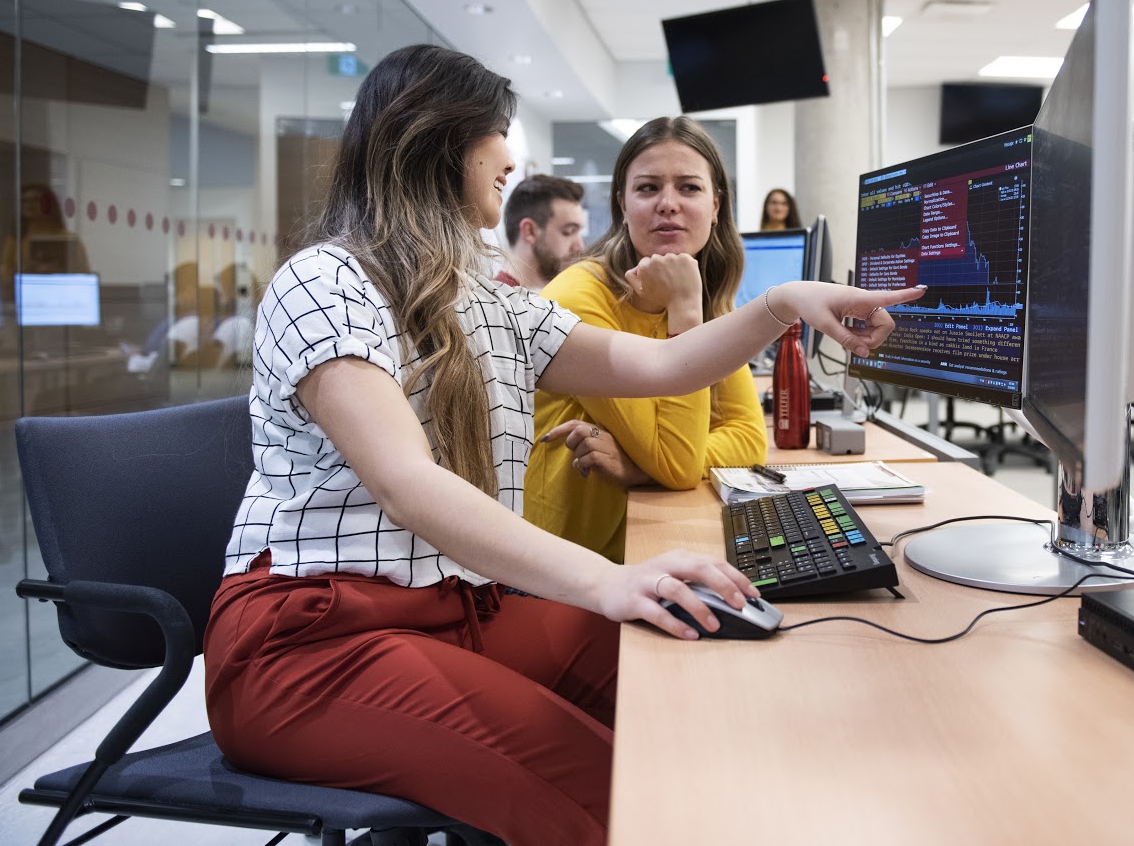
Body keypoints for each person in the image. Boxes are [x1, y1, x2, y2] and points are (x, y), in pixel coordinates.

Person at [203, 44, 920, 846]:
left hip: (459, 610)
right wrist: (606, 580)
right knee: (609, 792)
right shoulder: (326, 281)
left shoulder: (482, 296)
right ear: (442, 138)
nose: (511, 158)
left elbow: (659, 364)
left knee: (695, 685)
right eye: (498, 134)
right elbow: (406, 482)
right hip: (312, 645)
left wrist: (785, 303)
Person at [526, 117, 767, 563]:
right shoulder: (579, 298)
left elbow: (749, 439)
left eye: (690, 188)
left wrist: (640, 466)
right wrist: (686, 312)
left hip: (647, 536)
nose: (668, 204)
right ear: (622, 204)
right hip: (565, 565)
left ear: (716, 205)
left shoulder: (708, 295)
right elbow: (676, 465)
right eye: (648, 188)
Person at [496, 173, 588, 291]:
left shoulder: (556, 297)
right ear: (530, 231)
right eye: (568, 232)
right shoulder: (498, 305)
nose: (580, 247)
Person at [0, 183, 90, 297]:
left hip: (61, 297)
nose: (28, 205)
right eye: (24, 201)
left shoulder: (68, 238)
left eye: (35, 200)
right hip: (27, 295)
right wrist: (22, 273)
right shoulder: (16, 238)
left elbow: (83, 275)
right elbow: (4, 273)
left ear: (48, 204)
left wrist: (58, 271)